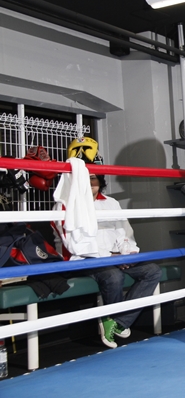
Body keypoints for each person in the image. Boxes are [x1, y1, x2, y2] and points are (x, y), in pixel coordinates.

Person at [52, 147, 161, 349]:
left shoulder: (111, 203)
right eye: (84, 178)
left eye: (93, 178)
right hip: (82, 260)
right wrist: (111, 257)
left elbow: (124, 233)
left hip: (115, 258)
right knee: (113, 275)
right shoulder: (64, 206)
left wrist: (126, 255)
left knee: (152, 270)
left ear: (100, 180)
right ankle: (113, 319)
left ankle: (118, 321)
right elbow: (73, 246)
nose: (89, 182)